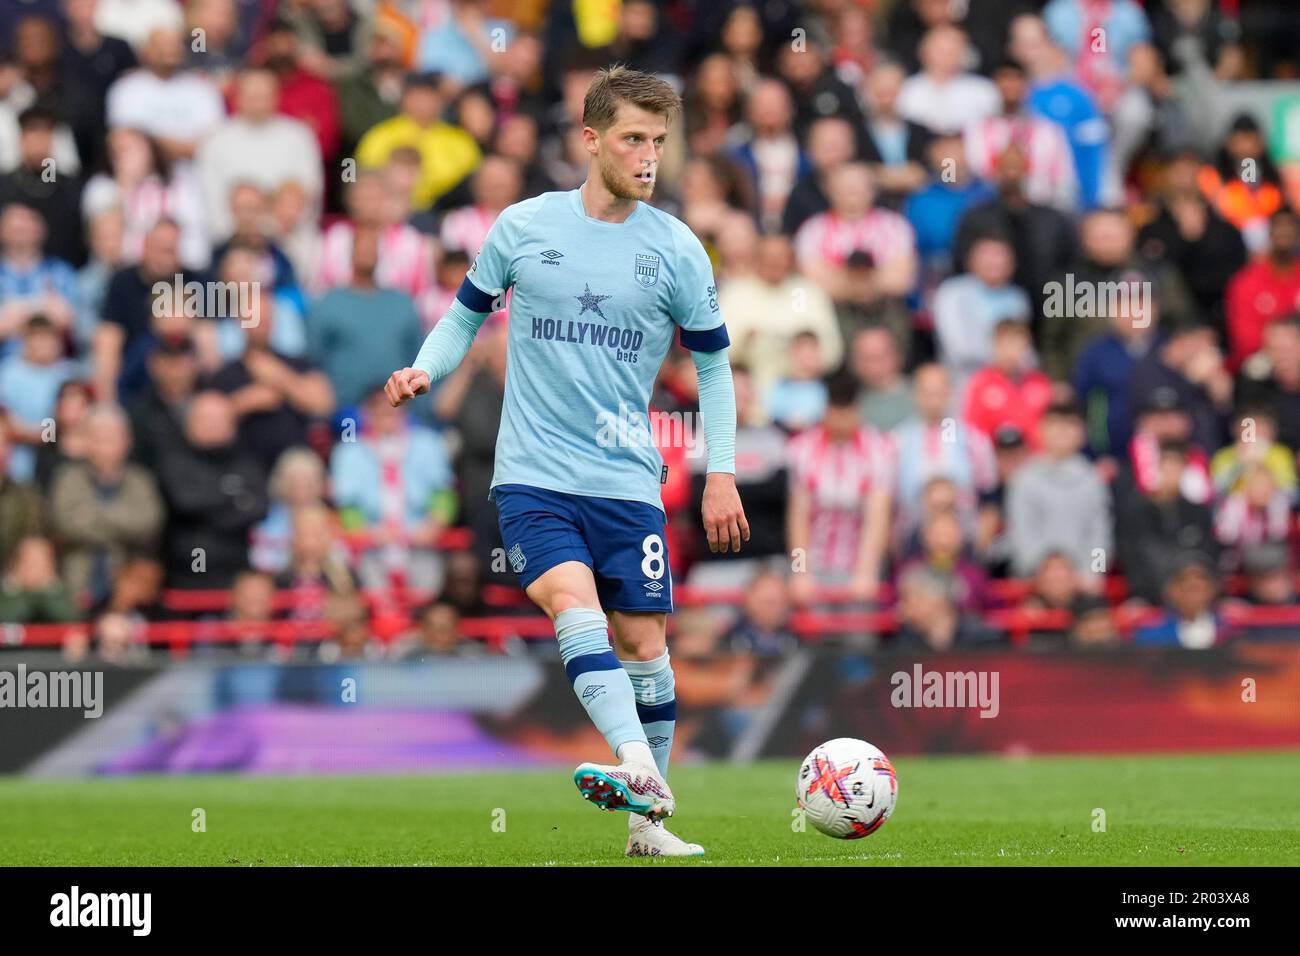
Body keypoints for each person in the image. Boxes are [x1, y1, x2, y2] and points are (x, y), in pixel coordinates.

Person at [384, 67, 746, 858]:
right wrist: (423, 367)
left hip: (627, 478)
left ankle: (647, 827)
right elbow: (462, 319)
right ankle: (642, 768)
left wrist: (720, 471)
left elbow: (714, 366)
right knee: (570, 605)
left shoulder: (679, 248)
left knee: (647, 645)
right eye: (633, 140)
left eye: (659, 141)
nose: (649, 157)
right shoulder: (523, 226)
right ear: (590, 140)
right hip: (534, 475)